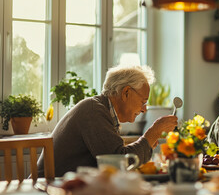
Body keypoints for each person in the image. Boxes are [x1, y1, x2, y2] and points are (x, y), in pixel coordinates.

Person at [37, 65, 178, 177]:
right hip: (47, 189)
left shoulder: (101, 110)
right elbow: (117, 163)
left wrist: (146, 142)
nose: (144, 109)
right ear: (126, 93)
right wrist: (153, 132)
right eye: (143, 101)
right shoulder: (93, 111)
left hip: (70, 189)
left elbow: (116, 159)